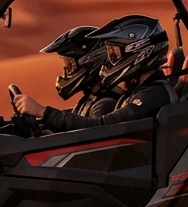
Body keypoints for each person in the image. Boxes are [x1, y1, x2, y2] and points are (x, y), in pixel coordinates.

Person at [13, 15, 175, 132]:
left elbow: (101, 128)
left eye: (114, 54)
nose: (110, 62)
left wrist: (43, 112)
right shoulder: (137, 92)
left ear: (139, 51)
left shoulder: (154, 94)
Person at [40, 25, 118, 118]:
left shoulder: (104, 104)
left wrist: (42, 112)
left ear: (90, 62)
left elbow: (89, 127)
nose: (66, 70)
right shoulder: (92, 97)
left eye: (71, 64)